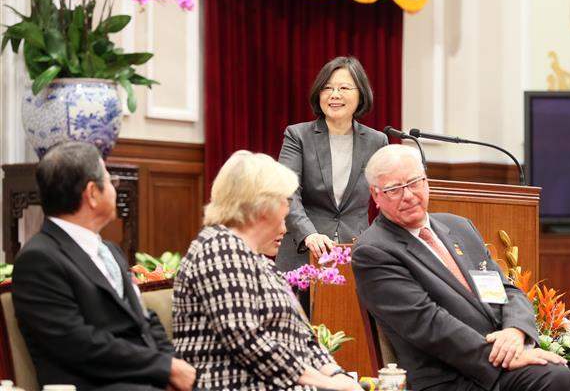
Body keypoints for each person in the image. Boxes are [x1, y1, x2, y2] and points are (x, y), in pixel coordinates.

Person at [352, 144, 570, 391]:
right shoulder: (374, 250)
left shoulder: (459, 227)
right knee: (553, 377)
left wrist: (515, 331)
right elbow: (429, 324)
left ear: (426, 182)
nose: (408, 195)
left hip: (511, 360)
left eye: (414, 182)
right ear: (376, 195)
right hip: (455, 376)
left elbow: (507, 292)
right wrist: (505, 358)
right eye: (394, 189)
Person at [12, 142, 196, 391]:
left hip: (143, 381)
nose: (114, 189)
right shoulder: (39, 260)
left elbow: (144, 319)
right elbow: (79, 345)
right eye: (110, 181)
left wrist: (171, 368)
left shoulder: (111, 251)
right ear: (92, 193)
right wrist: (164, 368)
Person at [172, 150, 362, 391]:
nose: (287, 216)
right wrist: (325, 383)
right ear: (263, 207)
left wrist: (338, 376)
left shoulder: (259, 261)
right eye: (285, 202)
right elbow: (244, 339)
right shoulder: (219, 248)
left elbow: (303, 337)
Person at [276, 56, 388, 277]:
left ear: (360, 94)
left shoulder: (377, 141)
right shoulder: (298, 136)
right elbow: (286, 192)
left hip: (357, 255)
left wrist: (377, 243)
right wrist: (309, 234)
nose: (335, 94)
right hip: (303, 254)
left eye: (344, 88)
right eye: (327, 88)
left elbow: (386, 198)